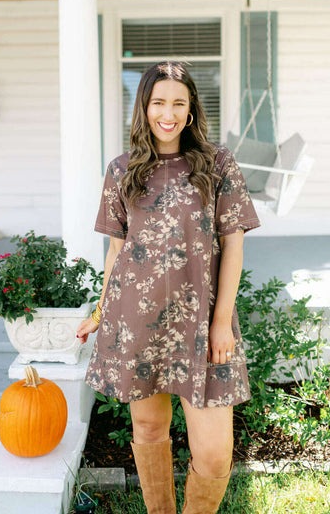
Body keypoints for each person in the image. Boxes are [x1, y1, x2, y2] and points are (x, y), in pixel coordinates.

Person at [76, 61, 261, 513]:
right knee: (149, 430)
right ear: (144, 107)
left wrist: (222, 323)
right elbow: (117, 252)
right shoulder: (121, 170)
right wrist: (99, 313)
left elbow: (233, 246)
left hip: (202, 325)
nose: (168, 113)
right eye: (159, 102)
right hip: (136, 322)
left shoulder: (217, 164)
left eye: (179, 103)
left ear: (191, 110)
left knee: (214, 455)